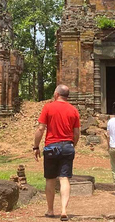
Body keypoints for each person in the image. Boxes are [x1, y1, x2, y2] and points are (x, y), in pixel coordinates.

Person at [33, 84, 81, 221]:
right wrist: (72, 145)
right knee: (64, 178)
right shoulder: (73, 110)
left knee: (50, 179)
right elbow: (76, 132)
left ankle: (50, 210)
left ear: (56, 94)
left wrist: (35, 146)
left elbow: (41, 129)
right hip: (67, 146)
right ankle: (64, 210)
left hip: (51, 147)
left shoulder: (48, 107)